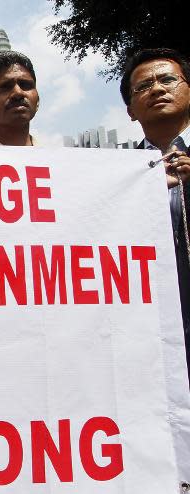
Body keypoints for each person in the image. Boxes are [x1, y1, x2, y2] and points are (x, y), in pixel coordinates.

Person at [120, 47, 190, 383]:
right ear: (130, 111)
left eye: (168, 80)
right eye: (143, 86)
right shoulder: (116, 175)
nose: (158, 89)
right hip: (152, 332)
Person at [0, 51, 40, 146]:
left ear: (37, 101)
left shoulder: (60, 159)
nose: (18, 92)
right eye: (4, 87)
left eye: (26, 85)